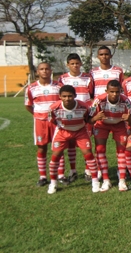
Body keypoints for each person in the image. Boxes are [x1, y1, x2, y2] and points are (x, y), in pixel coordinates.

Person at [47, 85, 101, 194]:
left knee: (88, 154)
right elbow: (52, 120)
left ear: (75, 96)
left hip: (80, 131)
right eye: (64, 96)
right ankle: (53, 183)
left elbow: (88, 119)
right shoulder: (54, 108)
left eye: (70, 96)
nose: (67, 99)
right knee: (55, 157)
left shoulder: (84, 106)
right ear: (60, 97)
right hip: (62, 132)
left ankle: (95, 182)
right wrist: (63, 127)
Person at [89, 80, 131, 192]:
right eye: (112, 92)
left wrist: (129, 121)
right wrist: (96, 118)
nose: (115, 94)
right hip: (102, 125)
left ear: (121, 91)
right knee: (100, 150)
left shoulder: (125, 100)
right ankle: (106, 180)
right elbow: (89, 119)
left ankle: (122, 180)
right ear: (106, 91)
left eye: (117, 92)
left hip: (119, 125)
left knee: (121, 151)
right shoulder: (99, 100)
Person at [25, 62, 66, 187]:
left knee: (59, 147)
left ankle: (61, 175)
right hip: (40, 122)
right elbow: (28, 105)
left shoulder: (59, 86)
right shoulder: (31, 88)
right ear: (37, 72)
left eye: (47, 69)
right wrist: (38, 115)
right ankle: (42, 176)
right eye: (41, 69)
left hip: (56, 121)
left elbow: (63, 102)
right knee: (42, 147)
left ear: (51, 70)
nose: (44, 71)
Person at [58, 53, 94, 182]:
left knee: (86, 144)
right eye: (72, 64)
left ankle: (88, 171)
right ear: (68, 65)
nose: (75, 66)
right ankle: (72, 170)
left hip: (83, 115)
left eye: (77, 63)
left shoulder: (88, 78)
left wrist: (90, 113)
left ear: (81, 64)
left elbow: (91, 96)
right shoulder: (62, 79)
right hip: (68, 116)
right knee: (70, 144)